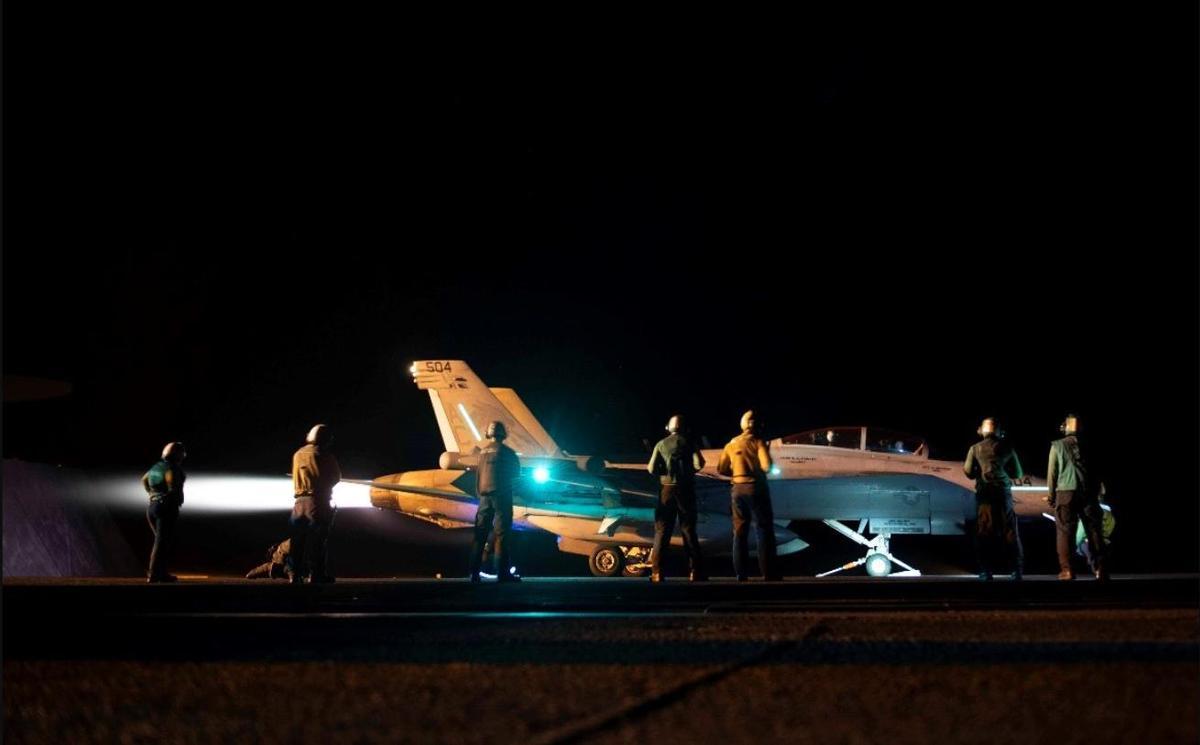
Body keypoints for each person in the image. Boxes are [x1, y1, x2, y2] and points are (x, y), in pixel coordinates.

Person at [717, 410, 780, 581]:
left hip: (737, 489)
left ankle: (741, 574)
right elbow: (767, 466)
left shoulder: (731, 444)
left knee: (739, 532)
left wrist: (737, 473)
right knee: (764, 529)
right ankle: (769, 573)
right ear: (757, 426)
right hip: (756, 489)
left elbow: (721, 469)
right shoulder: (758, 442)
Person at [646, 414, 707, 582]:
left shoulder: (661, 444)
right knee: (688, 530)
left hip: (666, 490)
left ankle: (657, 573)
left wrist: (663, 473)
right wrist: (688, 473)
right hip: (686, 490)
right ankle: (696, 572)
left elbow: (651, 468)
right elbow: (700, 464)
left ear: (669, 428)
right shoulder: (690, 443)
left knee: (662, 531)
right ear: (684, 428)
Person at [1047, 414, 1108, 581]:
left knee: (1065, 532)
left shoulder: (1057, 446)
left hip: (1065, 493)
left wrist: (1051, 495)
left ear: (1064, 427)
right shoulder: (1091, 445)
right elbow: (1098, 471)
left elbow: (1052, 473)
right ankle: (1100, 569)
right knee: (1094, 531)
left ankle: (1068, 570)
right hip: (1088, 492)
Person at [962, 417, 1024, 580]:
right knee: (1010, 532)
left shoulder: (975, 448)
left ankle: (985, 571)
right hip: (1003, 495)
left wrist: (979, 472)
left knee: (984, 532)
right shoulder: (1008, 448)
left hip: (984, 496)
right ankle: (1016, 570)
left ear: (982, 430)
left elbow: (968, 472)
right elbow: (1017, 473)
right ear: (998, 431)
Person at [469, 421, 522, 583]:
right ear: (503, 434)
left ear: (488, 433)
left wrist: (480, 495)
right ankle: (502, 573)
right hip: (501, 496)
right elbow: (516, 476)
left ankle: (474, 574)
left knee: (480, 535)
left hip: (483, 498)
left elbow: (478, 476)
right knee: (502, 535)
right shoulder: (507, 452)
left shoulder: (482, 452)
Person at [289, 424, 341, 584]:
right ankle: (316, 575)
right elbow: (336, 477)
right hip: (317, 503)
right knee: (318, 541)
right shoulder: (325, 455)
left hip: (298, 503)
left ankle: (294, 574)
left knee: (297, 542)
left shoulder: (297, 454)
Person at [142, 441, 187, 583]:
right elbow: (173, 485)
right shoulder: (172, 468)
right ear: (178, 455)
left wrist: (152, 494)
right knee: (161, 543)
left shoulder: (156, 467)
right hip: (165, 508)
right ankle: (154, 575)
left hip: (152, 507)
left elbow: (144, 479)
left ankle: (161, 573)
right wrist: (176, 498)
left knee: (161, 542)